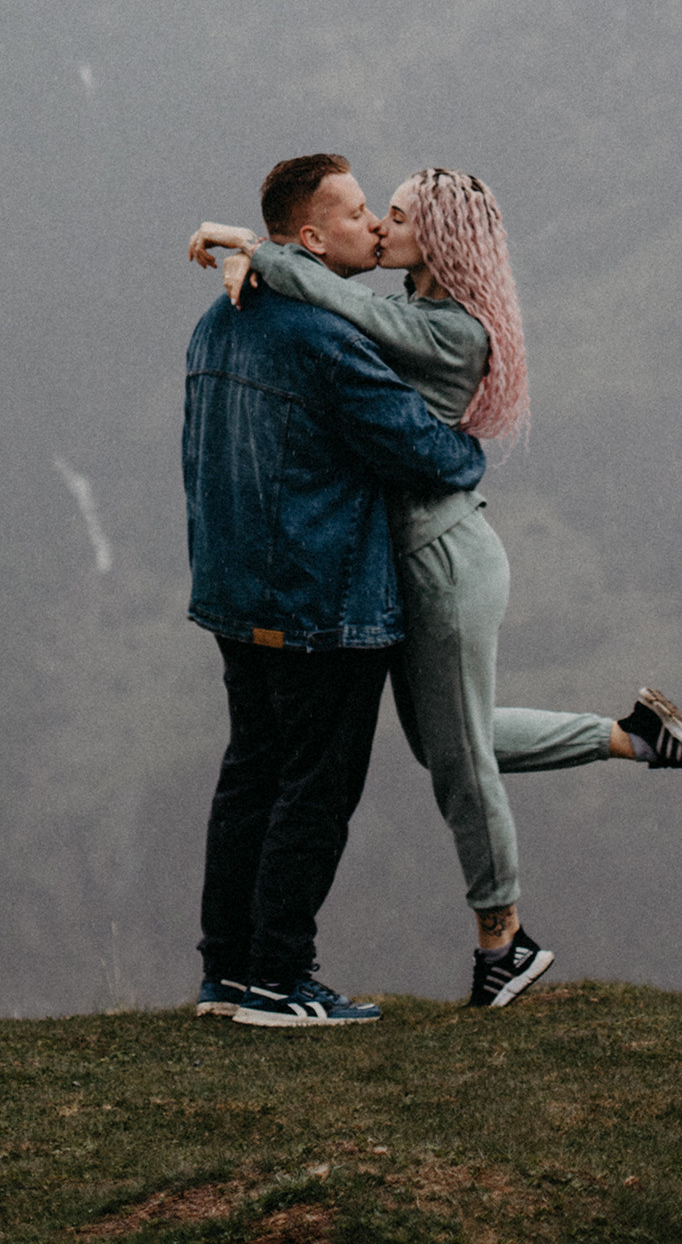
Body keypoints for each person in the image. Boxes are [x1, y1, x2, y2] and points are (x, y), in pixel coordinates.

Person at [190, 162, 682, 1013]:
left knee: (456, 759)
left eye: (394, 214)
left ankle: (503, 940)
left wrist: (257, 252)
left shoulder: (453, 332)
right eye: (373, 211)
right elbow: (339, 314)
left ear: (435, 238)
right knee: (456, 738)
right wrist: (262, 261)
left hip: (443, 558)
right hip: (393, 562)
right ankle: (632, 736)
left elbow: (347, 315)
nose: (379, 226)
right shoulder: (406, 311)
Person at [183, 150, 487, 1031]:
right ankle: (282, 978)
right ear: (310, 236)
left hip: (233, 592)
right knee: (315, 790)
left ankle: (227, 974)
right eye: (356, 214)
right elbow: (420, 450)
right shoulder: (328, 338)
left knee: (250, 776)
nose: (375, 227)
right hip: (319, 599)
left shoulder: (219, 320)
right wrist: (468, 453)